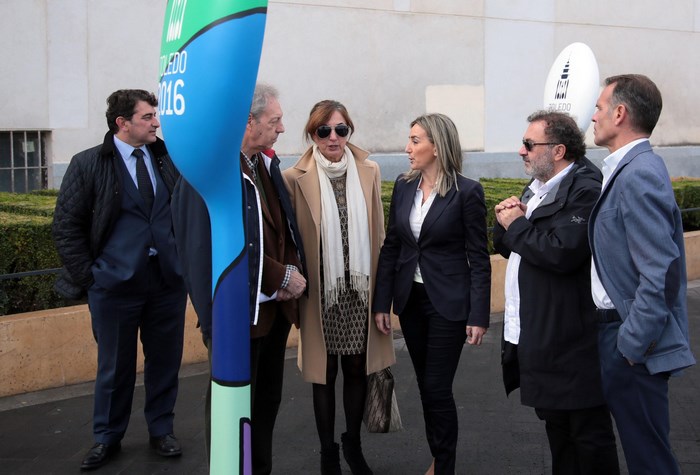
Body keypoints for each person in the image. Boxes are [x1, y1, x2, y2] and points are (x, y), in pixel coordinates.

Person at [171, 83, 307, 475]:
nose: (282, 128)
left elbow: (284, 230)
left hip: (272, 317)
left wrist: (292, 274)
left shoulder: (264, 164)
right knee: (232, 418)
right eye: (275, 120)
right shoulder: (209, 172)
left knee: (264, 410)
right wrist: (282, 277)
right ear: (248, 122)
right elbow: (211, 250)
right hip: (237, 321)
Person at [52, 89, 187, 470]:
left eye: (154, 116)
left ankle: (162, 430)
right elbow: (66, 228)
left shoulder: (167, 159)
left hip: (166, 283)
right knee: (115, 368)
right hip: (114, 288)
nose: (156, 122)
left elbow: (185, 212)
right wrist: (93, 278)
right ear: (122, 123)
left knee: (165, 362)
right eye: (147, 117)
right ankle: (107, 437)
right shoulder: (88, 163)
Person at [493, 110, 619, 474]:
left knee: (588, 436)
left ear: (559, 150)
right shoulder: (539, 184)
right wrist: (506, 221)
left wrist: (515, 224)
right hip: (541, 334)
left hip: (572, 338)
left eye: (529, 144)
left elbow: (561, 252)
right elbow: (514, 244)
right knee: (559, 432)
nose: (521, 151)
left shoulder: (586, 188)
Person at [589, 74, 696, 474]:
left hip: (629, 341)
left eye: (599, 107)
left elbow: (661, 272)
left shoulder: (639, 172)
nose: (593, 115)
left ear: (620, 113)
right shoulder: (624, 168)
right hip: (614, 335)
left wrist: (631, 344)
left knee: (649, 460)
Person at [373, 113, 491, 475]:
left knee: (438, 387)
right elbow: (392, 247)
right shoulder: (405, 186)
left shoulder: (467, 192)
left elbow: (479, 257)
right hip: (411, 301)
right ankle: (439, 457)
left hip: (449, 305)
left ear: (436, 147)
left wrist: (478, 315)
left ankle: (444, 465)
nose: (407, 149)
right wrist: (382, 302)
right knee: (426, 386)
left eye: (415, 140)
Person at [283, 100, 395, 475]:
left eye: (341, 130)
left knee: (358, 368)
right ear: (312, 134)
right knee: (323, 372)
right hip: (320, 294)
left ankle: (353, 443)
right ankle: (327, 451)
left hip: (359, 292)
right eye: (324, 131)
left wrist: (382, 297)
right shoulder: (293, 177)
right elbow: (292, 242)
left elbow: (379, 234)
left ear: (350, 131)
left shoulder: (369, 170)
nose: (333, 138)